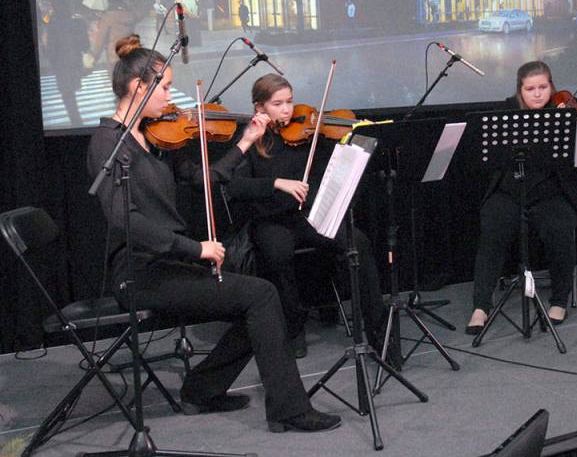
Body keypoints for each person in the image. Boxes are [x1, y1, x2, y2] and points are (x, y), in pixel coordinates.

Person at [86, 35, 340, 433]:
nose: (171, 97)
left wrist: (246, 141)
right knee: (260, 295)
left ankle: (201, 390)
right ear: (138, 87)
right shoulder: (109, 143)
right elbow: (125, 220)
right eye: (166, 87)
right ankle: (289, 409)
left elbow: (210, 181)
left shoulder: (152, 139)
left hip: (170, 261)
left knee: (258, 302)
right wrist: (194, 248)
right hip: (140, 270)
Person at [220, 73, 400, 364]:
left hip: (308, 216)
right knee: (276, 253)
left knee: (359, 244)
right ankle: (293, 325)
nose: (287, 110)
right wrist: (277, 183)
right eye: (277, 104)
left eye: (289, 101)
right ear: (259, 107)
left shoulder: (307, 132)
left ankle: (379, 332)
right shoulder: (250, 137)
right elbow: (233, 186)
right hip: (270, 219)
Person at [465, 60, 577, 335]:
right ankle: (481, 305)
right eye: (531, 89)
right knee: (493, 227)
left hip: (550, 194)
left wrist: (569, 124)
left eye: (543, 87)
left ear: (551, 86)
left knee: (559, 227)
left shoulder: (563, 113)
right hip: (509, 192)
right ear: (520, 90)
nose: (538, 94)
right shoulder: (505, 113)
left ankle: (559, 300)